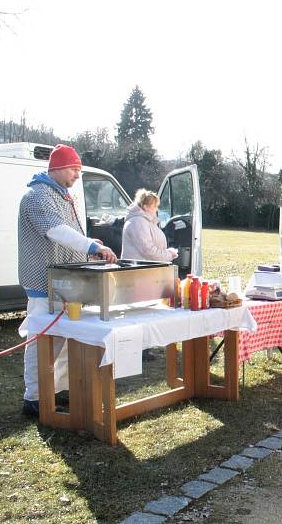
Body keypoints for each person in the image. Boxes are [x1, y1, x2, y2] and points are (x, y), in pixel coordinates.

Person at [17, 144, 117, 417]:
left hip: (63, 281)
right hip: (42, 282)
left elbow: (70, 233)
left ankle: (57, 390)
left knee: (62, 339)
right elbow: (56, 231)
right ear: (59, 167)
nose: (77, 175)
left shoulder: (61, 195)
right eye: (75, 169)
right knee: (42, 339)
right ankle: (34, 397)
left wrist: (89, 243)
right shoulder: (37, 196)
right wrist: (92, 248)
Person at [121, 189, 179, 262]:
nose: (157, 209)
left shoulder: (146, 221)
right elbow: (147, 250)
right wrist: (168, 255)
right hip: (139, 270)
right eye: (154, 206)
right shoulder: (138, 222)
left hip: (146, 268)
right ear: (145, 207)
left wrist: (168, 253)